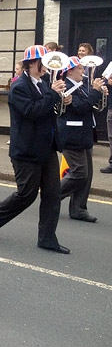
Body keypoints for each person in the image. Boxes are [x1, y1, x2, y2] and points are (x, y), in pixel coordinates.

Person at [0, 45, 71, 254]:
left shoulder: (45, 83)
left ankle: (47, 238)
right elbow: (32, 111)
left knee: (52, 194)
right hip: (26, 150)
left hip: (47, 147)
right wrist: (52, 95)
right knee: (26, 195)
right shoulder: (19, 86)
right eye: (43, 62)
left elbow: (51, 110)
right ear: (31, 64)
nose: (47, 66)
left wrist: (64, 99)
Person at [57, 56, 107, 222]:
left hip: (84, 134)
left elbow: (92, 106)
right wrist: (95, 92)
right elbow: (80, 107)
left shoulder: (80, 87)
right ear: (69, 71)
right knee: (80, 173)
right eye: (80, 68)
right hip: (72, 135)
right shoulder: (66, 87)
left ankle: (79, 208)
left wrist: (100, 94)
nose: (83, 71)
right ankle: (53, 196)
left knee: (87, 175)